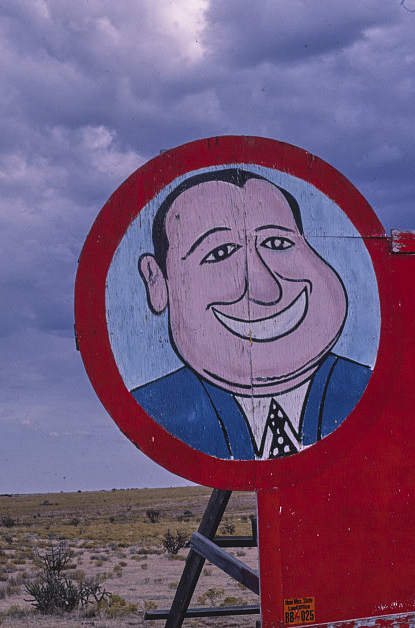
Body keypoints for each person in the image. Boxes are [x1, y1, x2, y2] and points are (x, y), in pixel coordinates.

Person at [131, 169, 371, 460]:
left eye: (277, 243)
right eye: (220, 253)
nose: (266, 289)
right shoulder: (155, 408)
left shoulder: (363, 390)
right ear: (156, 281)